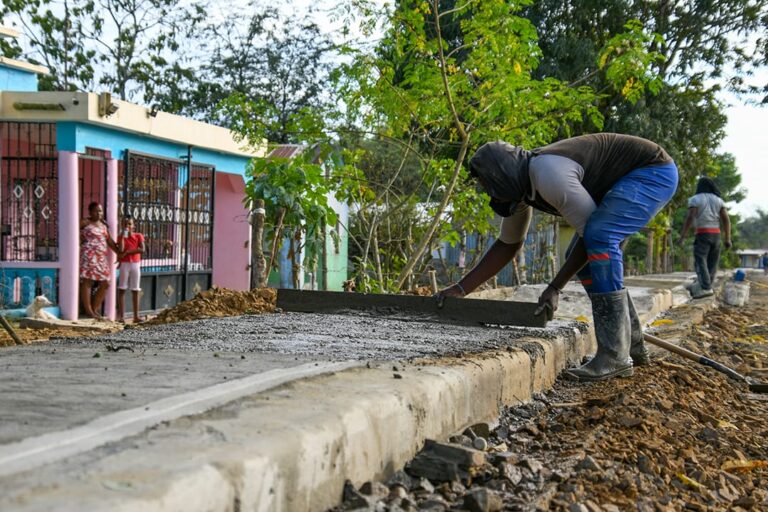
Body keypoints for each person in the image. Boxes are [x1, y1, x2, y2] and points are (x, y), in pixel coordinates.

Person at [437, 133, 678, 382]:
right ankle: (632, 347)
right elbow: (508, 245)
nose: (490, 194)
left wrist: (555, 287)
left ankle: (614, 356)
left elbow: (592, 239)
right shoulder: (520, 191)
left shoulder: (549, 174)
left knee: (600, 238)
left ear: (502, 176)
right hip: (628, 179)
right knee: (587, 262)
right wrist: (461, 288)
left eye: (488, 186)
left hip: (651, 172)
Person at [680, 177, 731, 298]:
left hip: (703, 233)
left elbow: (690, 217)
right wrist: (727, 238)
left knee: (700, 260)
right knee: (712, 262)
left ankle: (706, 288)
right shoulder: (719, 200)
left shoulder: (695, 199)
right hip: (716, 234)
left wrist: (683, 236)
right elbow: (726, 220)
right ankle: (705, 285)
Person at [80, 202, 119, 320]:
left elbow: (110, 241)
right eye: (96, 211)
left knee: (106, 282)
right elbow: (73, 233)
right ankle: (89, 311)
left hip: (101, 257)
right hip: (89, 256)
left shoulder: (103, 225)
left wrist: (120, 253)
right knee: (87, 282)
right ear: (90, 212)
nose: (99, 213)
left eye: (100, 211)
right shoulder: (84, 222)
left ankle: (95, 308)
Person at [116, 215, 145, 323]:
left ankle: (136, 316)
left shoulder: (138, 236)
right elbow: (121, 249)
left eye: (129, 224)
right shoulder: (120, 237)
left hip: (135, 264)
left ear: (133, 225)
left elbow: (142, 249)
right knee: (122, 288)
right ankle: (121, 316)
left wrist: (128, 252)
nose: (127, 226)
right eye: (124, 224)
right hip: (124, 264)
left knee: (135, 289)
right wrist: (123, 237)